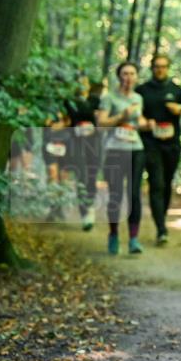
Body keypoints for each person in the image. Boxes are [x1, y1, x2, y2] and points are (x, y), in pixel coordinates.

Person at [95, 62, 148, 255]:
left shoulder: (138, 98)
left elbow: (138, 121)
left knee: (134, 194)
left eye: (132, 73)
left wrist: (145, 123)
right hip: (115, 150)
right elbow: (101, 123)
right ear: (119, 76)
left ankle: (134, 239)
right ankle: (114, 234)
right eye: (125, 73)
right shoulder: (109, 98)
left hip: (136, 148)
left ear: (136, 77)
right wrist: (121, 116)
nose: (128, 77)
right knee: (116, 194)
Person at [136, 54, 181, 245]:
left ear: (168, 68)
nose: (160, 70)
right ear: (152, 68)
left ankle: (162, 217)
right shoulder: (142, 91)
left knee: (166, 184)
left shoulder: (177, 90)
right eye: (157, 66)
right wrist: (144, 123)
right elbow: (135, 114)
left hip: (172, 144)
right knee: (156, 183)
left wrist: (180, 110)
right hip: (150, 144)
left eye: (163, 66)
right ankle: (161, 229)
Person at [64, 74, 101, 230]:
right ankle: (85, 212)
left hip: (93, 143)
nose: (81, 85)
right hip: (75, 143)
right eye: (78, 82)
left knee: (91, 176)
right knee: (81, 176)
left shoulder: (95, 100)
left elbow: (93, 115)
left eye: (84, 82)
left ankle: (90, 207)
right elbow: (72, 117)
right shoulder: (68, 101)